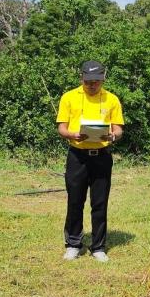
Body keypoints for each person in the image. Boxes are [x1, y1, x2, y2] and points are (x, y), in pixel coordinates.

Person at [56, 60, 125, 262]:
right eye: (88, 82)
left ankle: (98, 246)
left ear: (103, 78)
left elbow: (118, 128)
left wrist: (113, 136)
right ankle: (73, 244)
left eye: (96, 81)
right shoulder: (69, 97)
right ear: (81, 79)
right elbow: (61, 127)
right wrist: (72, 134)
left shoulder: (112, 99)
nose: (92, 85)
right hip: (77, 155)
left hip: (101, 156)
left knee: (100, 202)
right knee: (75, 201)